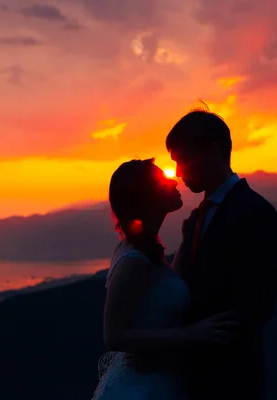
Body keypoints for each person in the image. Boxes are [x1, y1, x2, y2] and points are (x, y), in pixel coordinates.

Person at [92, 158, 240, 400]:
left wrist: (187, 239)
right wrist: (192, 335)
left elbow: (162, 290)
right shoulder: (134, 261)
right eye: (162, 180)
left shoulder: (146, 249)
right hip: (142, 390)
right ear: (147, 197)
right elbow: (114, 335)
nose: (173, 181)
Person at [167, 110, 277, 399]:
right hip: (190, 377)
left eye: (183, 159)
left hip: (231, 378)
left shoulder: (256, 212)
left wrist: (196, 337)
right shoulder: (196, 219)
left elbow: (258, 303)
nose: (179, 172)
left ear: (213, 149)